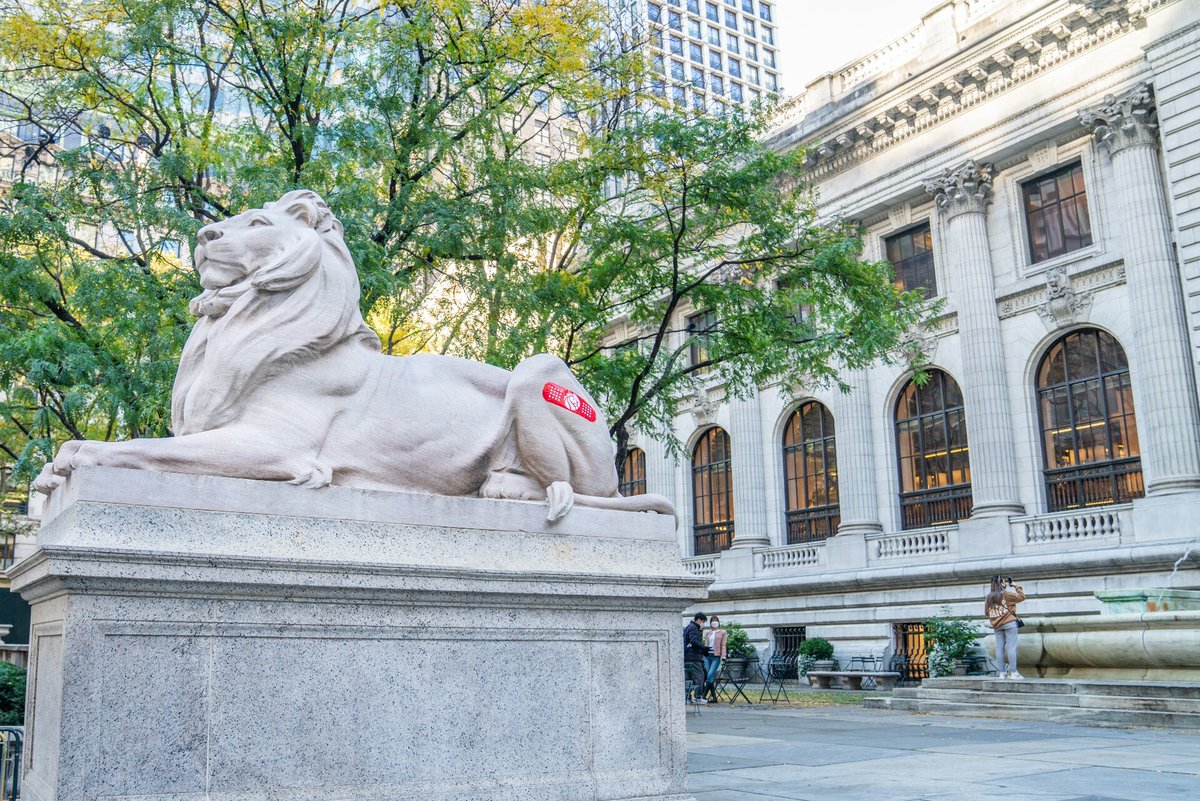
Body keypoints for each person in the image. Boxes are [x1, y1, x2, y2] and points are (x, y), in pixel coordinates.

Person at [985, 575, 1026, 679]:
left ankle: (1002, 673)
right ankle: (1013, 673)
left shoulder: (989, 597)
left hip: (997, 625)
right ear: (1001, 584)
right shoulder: (1006, 594)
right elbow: (1022, 597)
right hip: (1009, 623)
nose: (1005, 584)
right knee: (1011, 647)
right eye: (1004, 582)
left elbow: (986, 612)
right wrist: (1016, 586)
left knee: (999, 648)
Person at [683, 612, 710, 703]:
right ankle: (697, 697)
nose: (703, 624)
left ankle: (687, 697)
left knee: (688, 677)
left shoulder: (690, 627)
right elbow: (694, 641)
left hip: (687, 656)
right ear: (699, 620)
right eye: (703, 621)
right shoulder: (693, 628)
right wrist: (703, 648)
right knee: (700, 676)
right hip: (693, 657)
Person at [703, 615, 728, 702]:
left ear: (718, 622)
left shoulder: (723, 632)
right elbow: (705, 644)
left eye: (716, 620)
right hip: (707, 656)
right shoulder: (708, 633)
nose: (714, 622)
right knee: (709, 677)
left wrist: (723, 656)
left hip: (716, 656)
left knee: (710, 675)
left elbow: (723, 645)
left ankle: (703, 696)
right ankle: (714, 698)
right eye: (712, 621)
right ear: (710, 623)